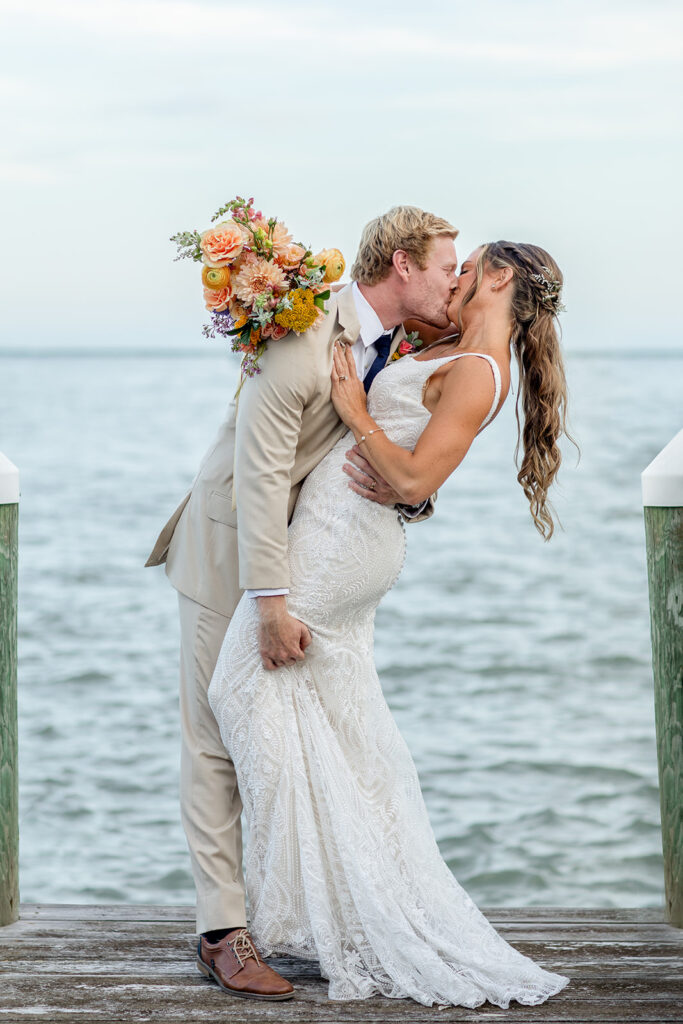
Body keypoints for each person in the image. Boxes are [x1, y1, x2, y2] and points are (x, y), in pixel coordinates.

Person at [206, 241, 572, 1007]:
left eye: (468, 266)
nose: (457, 276)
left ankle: (326, 903)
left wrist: (354, 412)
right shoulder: (451, 347)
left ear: (499, 278)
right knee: (328, 723)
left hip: (340, 549)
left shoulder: (479, 369)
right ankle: (334, 901)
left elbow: (414, 477)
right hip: (335, 532)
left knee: (240, 688)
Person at [145, 206, 460, 1000]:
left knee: (289, 735)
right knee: (215, 735)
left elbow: (375, 445)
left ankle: (300, 912)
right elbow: (255, 476)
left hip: (304, 555)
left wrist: (408, 500)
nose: (453, 283)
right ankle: (221, 934)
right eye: (445, 267)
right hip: (232, 548)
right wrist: (271, 602)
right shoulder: (301, 333)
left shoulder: (404, 343)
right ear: (400, 266)